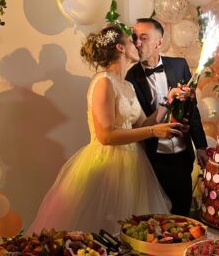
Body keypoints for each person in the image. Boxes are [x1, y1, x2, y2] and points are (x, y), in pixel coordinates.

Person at [29, 25, 184, 235]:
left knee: (131, 231)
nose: (137, 44)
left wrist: (168, 100)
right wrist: (153, 132)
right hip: (106, 164)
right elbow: (106, 135)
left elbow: (141, 126)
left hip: (133, 165)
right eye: (132, 41)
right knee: (100, 229)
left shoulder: (127, 85)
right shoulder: (103, 82)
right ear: (120, 48)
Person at [126, 18, 208, 216]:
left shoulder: (179, 65)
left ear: (159, 42)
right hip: (152, 159)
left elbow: (192, 108)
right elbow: (138, 123)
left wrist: (201, 145)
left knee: (182, 214)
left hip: (182, 155)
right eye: (135, 38)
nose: (137, 43)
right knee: (155, 217)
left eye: (144, 38)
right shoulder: (130, 77)